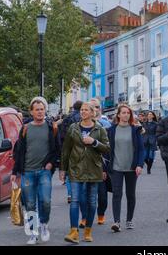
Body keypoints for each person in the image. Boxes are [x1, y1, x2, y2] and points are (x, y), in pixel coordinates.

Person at [11, 97, 61, 245]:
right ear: (31, 112)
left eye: (42, 109)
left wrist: (51, 163)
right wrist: (15, 172)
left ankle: (44, 225)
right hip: (27, 172)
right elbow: (19, 151)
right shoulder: (25, 128)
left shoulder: (52, 127)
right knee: (30, 204)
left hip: (44, 171)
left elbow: (57, 150)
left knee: (45, 201)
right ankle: (33, 233)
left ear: (45, 111)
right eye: (37, 109)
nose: (40, 112)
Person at [60, 102, 110, 244]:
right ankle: (73, 231)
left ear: (92, 112)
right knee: (75, 200)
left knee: (92, 201)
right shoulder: (73, 128)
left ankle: (88, 231)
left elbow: (107, 148)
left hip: (94, 169)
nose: (83, 112)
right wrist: (63, 169)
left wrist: (94, 142)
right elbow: (66, 150)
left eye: (86, 110)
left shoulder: (99, 129)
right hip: (75, 168)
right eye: (81, 110)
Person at [107, 104, 144, 232]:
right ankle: (116, 222)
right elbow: (108, 150)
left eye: (128, 113)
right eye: (123, 113)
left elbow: (140, 149)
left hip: (132, 168)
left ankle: (129, 220)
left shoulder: (135, 130)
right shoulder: (111, 130)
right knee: (117, 194)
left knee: (130, 194)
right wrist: (105, 167)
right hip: (116, 167)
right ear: (118, 115)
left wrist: (139, 164)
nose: (126, 115)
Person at [90, 98, 112, 226]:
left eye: (98, 107)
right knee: (87, 195)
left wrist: (105, 168)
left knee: (102, 195)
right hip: (87, 165)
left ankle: (101, 213)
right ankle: (86, 217)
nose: (96, 110)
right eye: (93, 107)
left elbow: (108, 148)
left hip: (102, 164)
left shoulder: (106, 125)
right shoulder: (81, 125)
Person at [60, 101, 83, 205]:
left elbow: (62, 135)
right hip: (81, 148)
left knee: (70, 173)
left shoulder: (67, 118)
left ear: (73, 107)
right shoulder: (83, 117)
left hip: (69, 148)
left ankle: (71, 194)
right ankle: (80, 193)